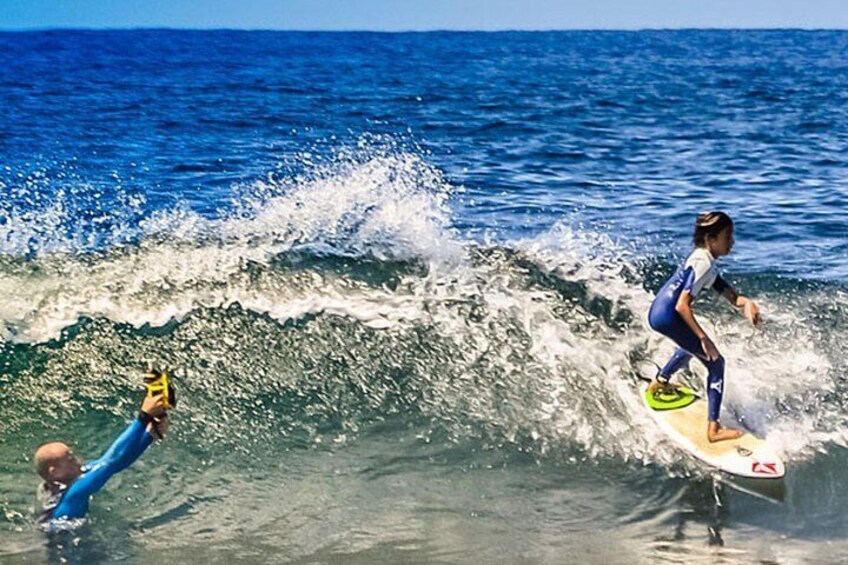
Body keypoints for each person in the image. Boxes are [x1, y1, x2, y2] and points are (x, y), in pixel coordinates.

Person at [647, 211, 760, 443]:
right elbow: (682, 305)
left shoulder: (705, 262)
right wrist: (702, 338)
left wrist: (747, 304)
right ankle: (714, 429)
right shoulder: (703, 263)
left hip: (659, 312)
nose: (732, 242)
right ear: (710, 239)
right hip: (668, 315)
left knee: (688, 346)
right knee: (716, 363)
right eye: (727, 236)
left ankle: (660, 381)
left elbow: (732, 297)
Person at [34, 394, 170, 528]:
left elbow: (116, 463)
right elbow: (111, 462)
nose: (77, 460)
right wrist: (143, 417)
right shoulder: (73, 493)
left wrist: (149, 435)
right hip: (67, 548)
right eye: (70, 459)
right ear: (54, 472)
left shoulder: (65, 480)